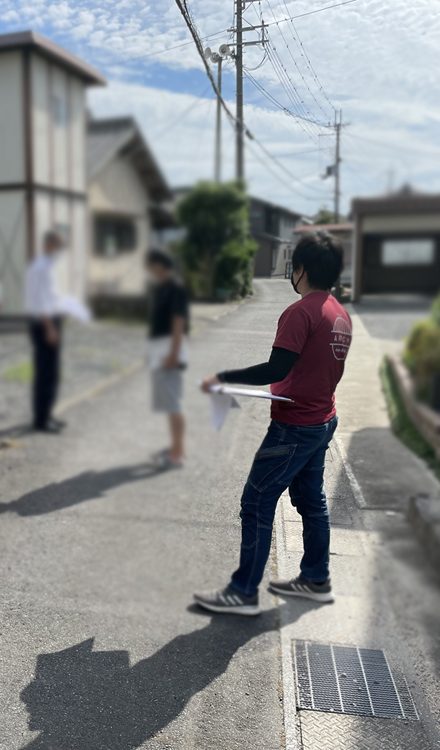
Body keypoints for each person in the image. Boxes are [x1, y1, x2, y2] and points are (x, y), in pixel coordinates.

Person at [193, 231, 350, 616]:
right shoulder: (339, 313)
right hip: (322, 420)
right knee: (311, 501)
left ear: (300, 270)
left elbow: (275, 368)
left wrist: (223, 376)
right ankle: (315, 578)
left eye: (291, 266)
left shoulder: (301, 312)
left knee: (258, 501)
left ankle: (244, 591)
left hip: (294, 425)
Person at [145, 248, 189, 469]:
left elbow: (178, 322)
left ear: (160, 265)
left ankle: (177, 453)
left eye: (151, 265)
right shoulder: (161, 288)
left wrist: (173, 355)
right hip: (159, 348)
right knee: (168, 401)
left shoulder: (174, 289)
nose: (149, 270)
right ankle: (175, 446)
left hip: (169, 349)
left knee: (173, 402)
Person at [25, 230, 67, 433]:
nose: (60, 250)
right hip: (44, 324)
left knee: (52, 371)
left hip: (51, 321)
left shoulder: (48, 266)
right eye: (58, 246)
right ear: (49, 244)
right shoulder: (40, 268)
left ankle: (48, 413)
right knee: (45, 371)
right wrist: (50, 329)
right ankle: (41, 420)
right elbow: (40, 302)